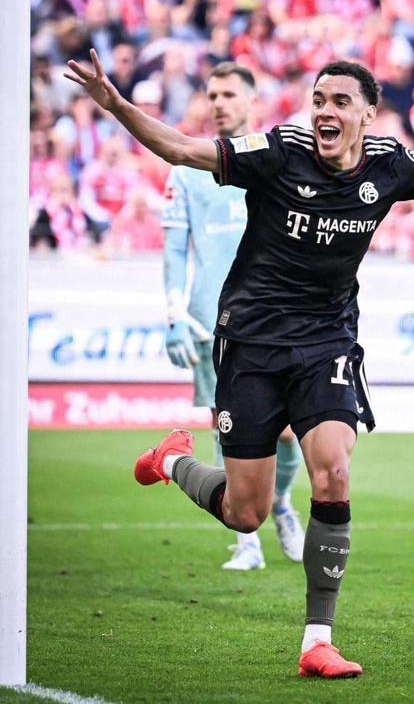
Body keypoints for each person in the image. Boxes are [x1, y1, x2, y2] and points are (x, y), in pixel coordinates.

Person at [65, 50, 414, 679]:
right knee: (246, 512)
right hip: (252, 342)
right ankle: (173, 460)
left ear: (368, 114)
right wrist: (116, 104)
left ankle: (318, 641)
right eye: (318, 100)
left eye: (340, 102)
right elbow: (181, 149)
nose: (325, 111)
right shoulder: (278, 150)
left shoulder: (391, 164)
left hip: (327, 341)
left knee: (334, 473)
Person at [162, 63, 305, 570]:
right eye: (212, 95)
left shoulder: (276, 159)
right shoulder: (186, 168)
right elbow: (174, 248)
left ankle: (280, 504)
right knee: (230, 430)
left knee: (288, 432)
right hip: (212, 319)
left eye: (228, 94)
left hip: (275, 318)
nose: (219, 103)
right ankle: (246, 540)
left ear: (252, 101)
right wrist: (175, 314)